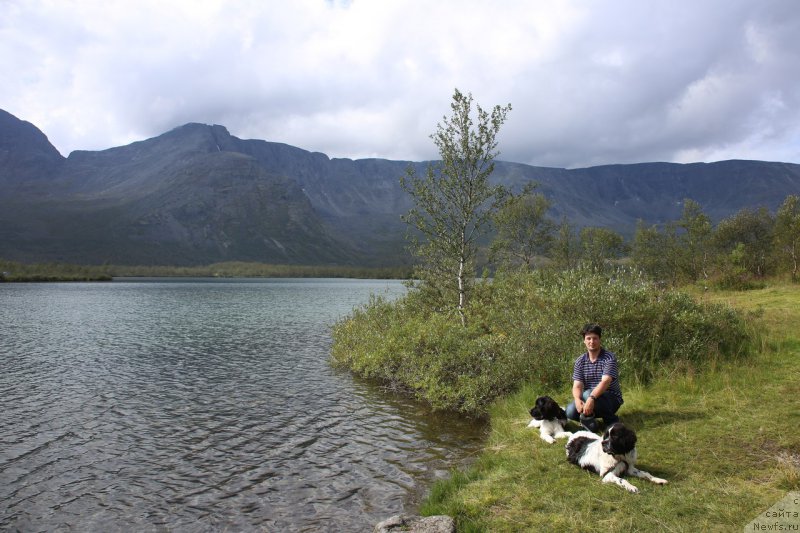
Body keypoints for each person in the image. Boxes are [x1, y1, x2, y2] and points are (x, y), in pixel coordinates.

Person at [565, 323, 623, 432]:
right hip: (589, 398)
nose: (592, 342)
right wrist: (577, 400)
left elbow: (605, 382)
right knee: (569, 411)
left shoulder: (609, 358)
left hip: (611, 398)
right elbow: (577, 386)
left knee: (587, 394)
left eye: (595, 338)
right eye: (588, 339)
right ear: (584, 341)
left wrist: (591, 398)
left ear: (600, 339)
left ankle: (612, 422)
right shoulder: (580, 361)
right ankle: (590, 421)